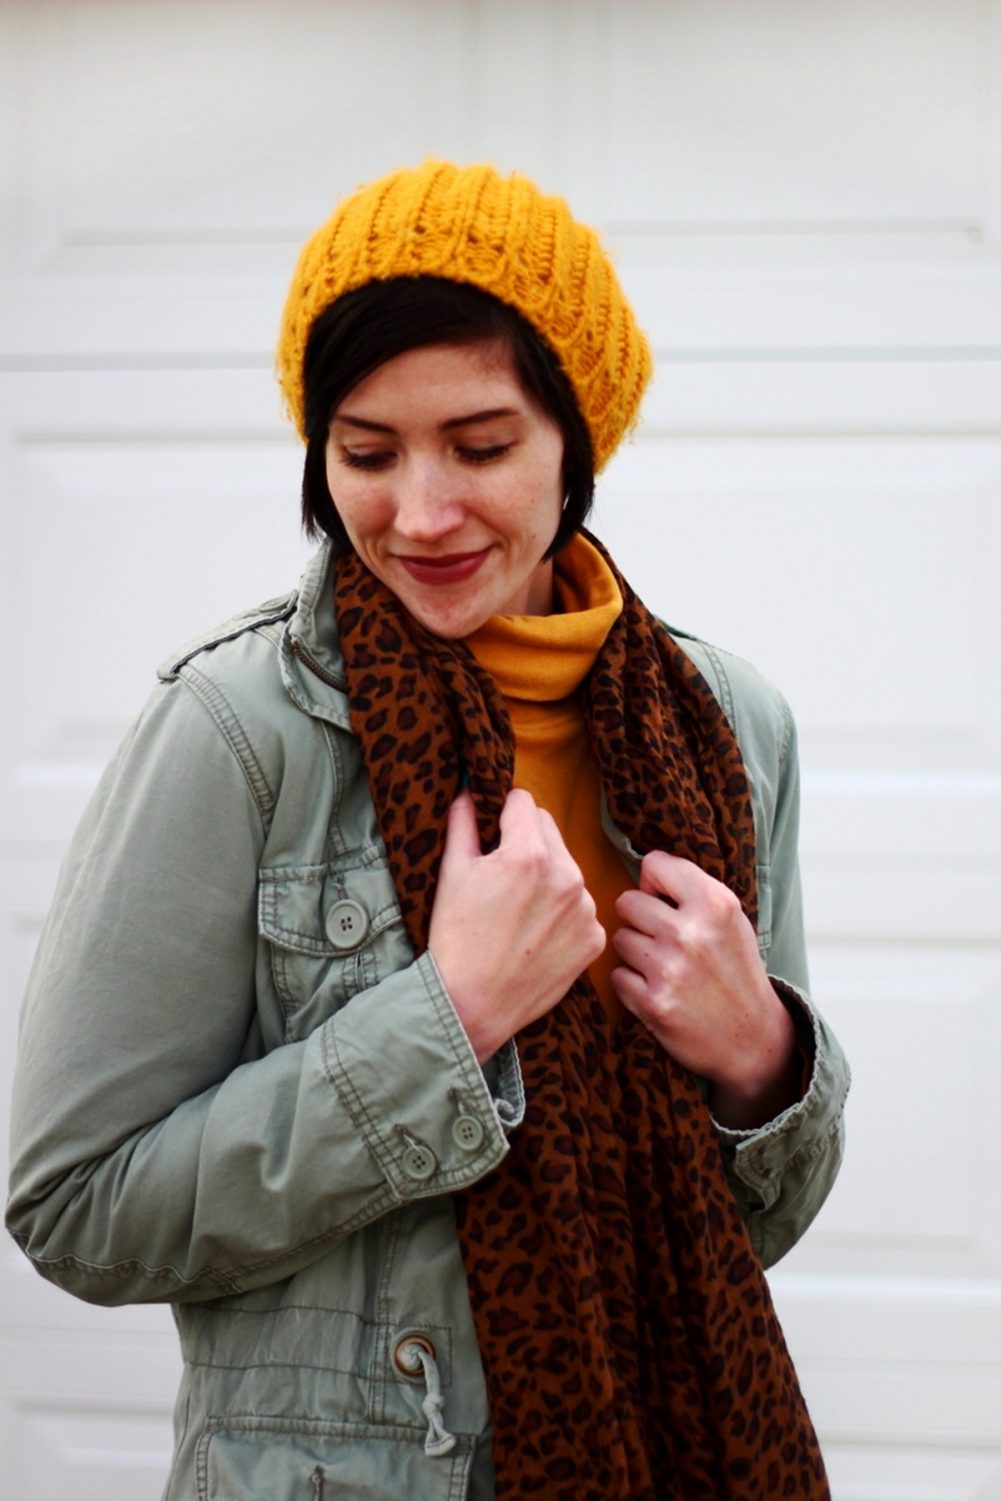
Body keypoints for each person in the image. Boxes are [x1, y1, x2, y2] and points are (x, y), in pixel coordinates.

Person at [7, 160, 849, 1500]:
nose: (420, 512)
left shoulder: (728, 726)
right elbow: (75, 1205)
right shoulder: (238, 729)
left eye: (479, 444)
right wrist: (442, 1023)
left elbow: (755, 1226)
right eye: (364, 451)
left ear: (576, 439)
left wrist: (760, 1058)